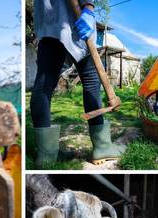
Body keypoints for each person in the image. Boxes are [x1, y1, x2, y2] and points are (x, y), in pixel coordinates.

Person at [31, 0, 125, 168]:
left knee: (44, 84)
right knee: (91, 80)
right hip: (72, 19)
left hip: (48, 21)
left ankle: (46, 156)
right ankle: (102, 146)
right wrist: (88, 7)